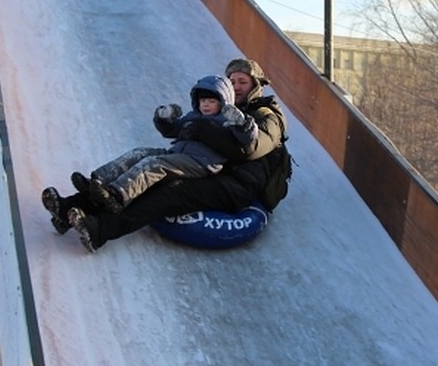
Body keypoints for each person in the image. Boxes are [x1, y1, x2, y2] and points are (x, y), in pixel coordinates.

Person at [42, 58, 288, 252]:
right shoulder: (222, 108)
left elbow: (251, 149)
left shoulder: (266, 115)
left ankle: (100, 231)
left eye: (242, 81)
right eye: (232, 80)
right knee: (144, 167)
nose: (236, 86)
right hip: (214, 168)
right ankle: (68, 208)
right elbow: (184, 128)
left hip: (237, 184)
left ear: (256, 85)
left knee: (166, 193)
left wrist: (203, 129)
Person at [77, 74, 258, 214]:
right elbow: (173, 131)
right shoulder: (194, 116)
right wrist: (165, 119)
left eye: (211, 101)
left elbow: (247, 137)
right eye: (203, 101)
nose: (206, 105)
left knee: (155, 164)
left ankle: (117, 196)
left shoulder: (226, 120)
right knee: (140, 153)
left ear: (223, 101)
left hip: (201, 163)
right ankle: (97, 180)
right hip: (178, 154)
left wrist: (243, 123)